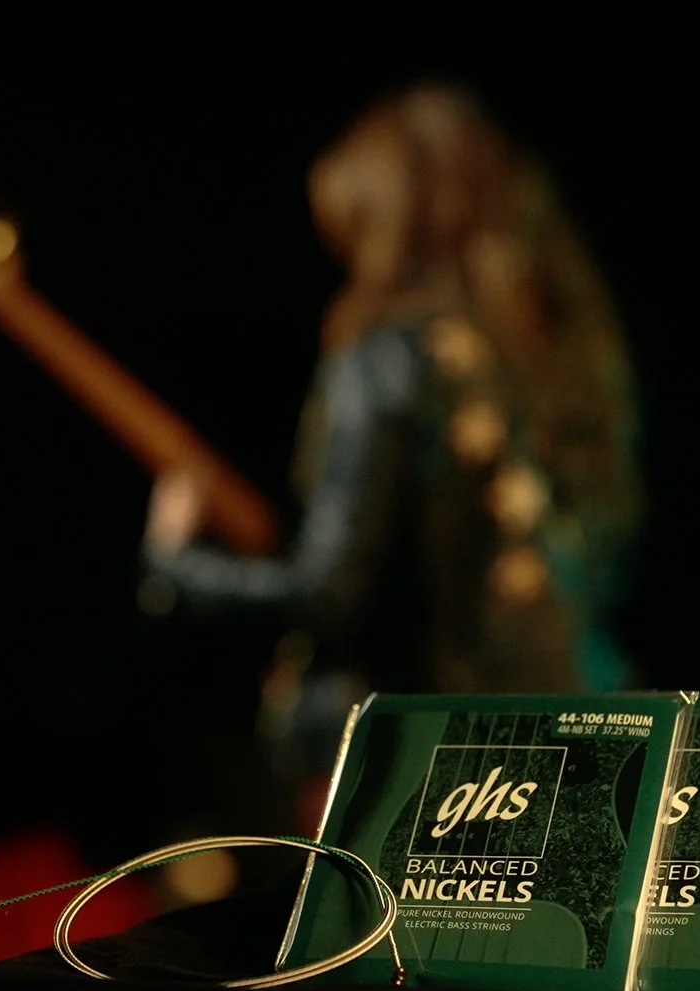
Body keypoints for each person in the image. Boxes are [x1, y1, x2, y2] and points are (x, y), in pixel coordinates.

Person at [139, 83, 642, 799]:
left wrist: (176, 569)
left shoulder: (386, 357)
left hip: (422, 770)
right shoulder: (546, 353)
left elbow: (332, 592)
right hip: (575, 734)